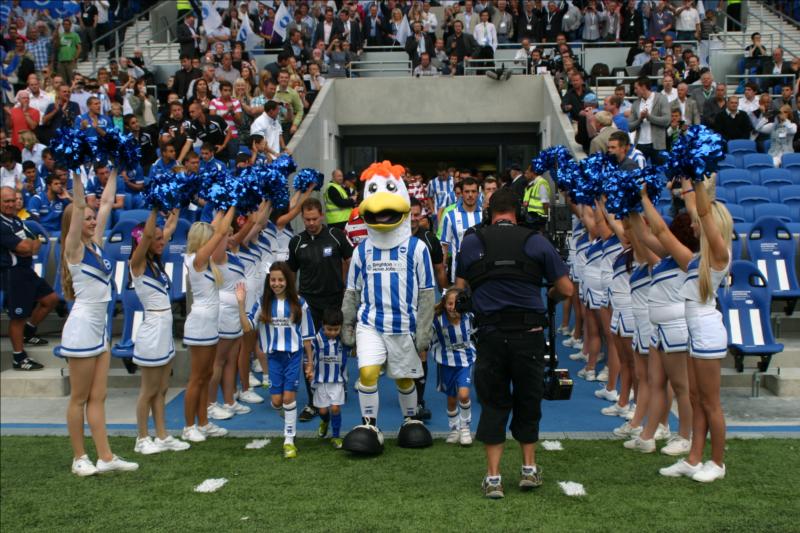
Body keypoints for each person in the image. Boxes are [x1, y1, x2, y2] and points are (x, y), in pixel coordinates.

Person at [455, 188, 572, 499]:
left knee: (493, 403)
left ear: (488, 213)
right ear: (517, 212)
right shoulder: (535, 241)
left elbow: (459, 288)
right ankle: (528, 470)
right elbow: (566, 289)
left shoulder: (471, 242)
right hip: (529, 336)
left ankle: (493, 477)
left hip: (490, 336)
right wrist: (550, 296)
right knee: (528, 401)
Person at [641, 177, 732, 483]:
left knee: (710, 403)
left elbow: (703, 215)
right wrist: (642, 198)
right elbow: (662, 232)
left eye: (699, 224)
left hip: (707, 332)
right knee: (693, 399)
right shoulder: (693, 261)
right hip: (694, 332)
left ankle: (717, 462)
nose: (693, 226)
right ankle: (694, 459)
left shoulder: (719, 258)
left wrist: (700, 186)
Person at [59, 170, 138, 476]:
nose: (92, 221)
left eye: (94, 218)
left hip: (100, 329)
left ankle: (105, 456)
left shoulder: (96, 244)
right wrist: (77, 173)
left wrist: (117, 167)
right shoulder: (74, 249)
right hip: (81, 330)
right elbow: (79, 208)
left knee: (98, 396)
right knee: (78, 398)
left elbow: (106, 202)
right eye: (88, 219)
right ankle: (80, 457)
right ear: (75, 225)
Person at [128, 209, 190, 455]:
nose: (162, 241)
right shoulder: (138, 262)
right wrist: (154, 209)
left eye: (163, 239)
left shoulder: (154, 261)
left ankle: (162, 435)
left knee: (163, 388)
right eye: (157, 239)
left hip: (164, 329)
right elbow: (145, 239)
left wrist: (173, 207)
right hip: (153, 329)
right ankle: (142, 438)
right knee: (149, 390)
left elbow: (170, 226)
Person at [237, 262, 315, 459]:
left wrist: (310, 362)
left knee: (289, 399)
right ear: (268, 281)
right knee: (277, 401)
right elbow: (247, 328)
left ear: (288, 281)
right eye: (273, 279)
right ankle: (287, 414)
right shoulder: (263, 302)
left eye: (280, 279)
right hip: (273, 357)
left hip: (293, 356)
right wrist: (240, 303)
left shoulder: (299, 302)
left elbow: (307, 335)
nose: (277, 283)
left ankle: (289, 439)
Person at [287, 198, 353, 421]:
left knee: (338, 346)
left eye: (314, 218)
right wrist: (294, 300)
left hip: (334, 301)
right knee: (311, 351)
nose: (311, 223)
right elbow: (290, 272)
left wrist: (346, 288)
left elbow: (349, 260)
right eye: (307, 219)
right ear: (302, 218)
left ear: (322, 216)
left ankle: (338, 385)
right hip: (308, 304)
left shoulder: (336, 235)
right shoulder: (296, 242)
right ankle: (313, 401)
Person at [181, 208, 235, 443]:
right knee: (197, 377)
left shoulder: (204, 261)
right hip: (200, 324)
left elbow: (217, 227)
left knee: (205, 375)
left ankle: (203, 422)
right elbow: (221, 230)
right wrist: (234, 200)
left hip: (210, 323)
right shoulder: (197, 260)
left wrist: (222, 207)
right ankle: (188, 426)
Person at [1, 186, 58, 369]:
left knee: (51, 299)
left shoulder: (17, 220)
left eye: (13, 200)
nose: (11, 204)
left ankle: (29, 330)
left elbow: (37, 243)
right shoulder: (1, 225)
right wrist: (29, 245)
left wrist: (29, 245)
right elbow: (25, 248)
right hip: (13, 274)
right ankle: (19, 358)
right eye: (6, 201)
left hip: (27, 271)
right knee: (18, 317)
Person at [430, 286, 476, 446]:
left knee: (463, 395)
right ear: (444, 304)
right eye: (449, 303)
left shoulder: (469, 317)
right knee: (451, 399)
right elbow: (427, 336)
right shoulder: (437, 320)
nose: (453, 307)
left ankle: (465, 428)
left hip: (465, 362)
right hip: (445, 363)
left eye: (456, 303)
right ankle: (454, 428)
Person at [307, 307, 349, 449]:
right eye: (329, 329)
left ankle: (336, 436)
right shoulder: (317, 339)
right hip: (321, 380)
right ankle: (325, 422)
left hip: (337, 380)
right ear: (323, 325)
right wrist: (310, 368)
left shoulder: (343, 339)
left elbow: (353, 346)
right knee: (323, 411)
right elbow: (309, 356)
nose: (332, 333)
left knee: (335, 408)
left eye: (336, 329)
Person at [440, 177, 482, 283]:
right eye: (467, 191)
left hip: (480, 273)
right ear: (461, 193)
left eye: (473, 191)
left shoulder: (484, 215)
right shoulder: (450, 216)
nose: (470, 195)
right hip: (457, 274)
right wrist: (443, 270)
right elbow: (444, 246)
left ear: (478, 193)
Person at [628, 76, 670, 164]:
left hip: (657, 144)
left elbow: (667, 120)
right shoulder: (635, 104)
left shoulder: (661, 98)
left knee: (659, 173)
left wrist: (649, 117)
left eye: (636, 88)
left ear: (643, 87)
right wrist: (640, 119)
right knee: (639, 173)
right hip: (640, 144)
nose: (635, 91)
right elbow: (629, 126)